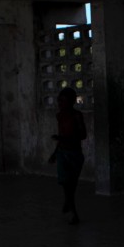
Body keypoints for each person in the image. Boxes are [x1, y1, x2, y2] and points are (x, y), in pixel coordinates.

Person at [48, 87, 87, 224]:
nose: (60, 104)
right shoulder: (60, 116)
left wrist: (63, 139)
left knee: (71, 185)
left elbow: (83, 135)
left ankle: (68, 204)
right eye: (59, 101)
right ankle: (73, 213)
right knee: (67, 184)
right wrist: (55, 153)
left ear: (71, 102)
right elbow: (62, 136)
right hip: (62, 153)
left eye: (63, 101)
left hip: (74, 154)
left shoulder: (77, 115)